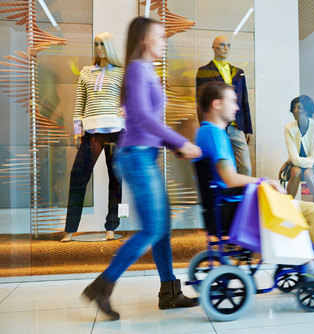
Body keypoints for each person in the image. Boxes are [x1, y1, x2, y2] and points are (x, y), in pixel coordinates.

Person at [81, 17, 201, 320]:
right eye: (160, 36)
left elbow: (143, 122)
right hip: (135, 156)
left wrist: (174, 146)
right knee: (152, 228)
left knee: (162, 228)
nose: (165, 41)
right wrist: (180, 142)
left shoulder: (146, 70)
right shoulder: (136, 69)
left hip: (144, 155)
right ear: (144, 39)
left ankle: (169, 292)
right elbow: (146, 119)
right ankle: (103, 285)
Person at [194, 81, 314, 281]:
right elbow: (228, 178)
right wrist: (264, 181)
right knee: (311, 211)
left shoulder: (207, 132)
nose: (237, 107)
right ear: (217, 104)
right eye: (232, 102)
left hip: (230, 204)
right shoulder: (214, 133)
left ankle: (311, 263)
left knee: (301, 206)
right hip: (236, 208)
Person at [62, 32, 125, 242]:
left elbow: (132, 98)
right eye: (96, 43)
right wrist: (77, 129)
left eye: (102, 44)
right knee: (78, 177)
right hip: (92, 133)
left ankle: (112, 227)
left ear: (110, 47)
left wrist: (128, 109)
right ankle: (70, 229)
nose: (98, 47)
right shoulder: (86, 72)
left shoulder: (121, 73)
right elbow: (80, 101)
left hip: (116, 131)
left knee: (115, 180)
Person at [196, 36, 253, 176]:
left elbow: (244, 100)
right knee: (221, 168)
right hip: (216, 125)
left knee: (246, 167)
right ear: (213, 47)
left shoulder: (238, 72)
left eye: (228, 45)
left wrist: (249, 129)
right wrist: (204, 125)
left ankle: (243, 197)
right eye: (222, 45)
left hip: (236, 126)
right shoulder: (204, 71)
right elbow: (200, 102)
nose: (226, 48)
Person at [280, 95, 314, 236]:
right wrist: (296, 161)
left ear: (308, 110)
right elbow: (295, 160)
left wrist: (310, 162)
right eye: (294, 108)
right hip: (301, 165)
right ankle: (286, 216)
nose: (295, 111)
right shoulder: (288, 128)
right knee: (296, 172)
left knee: (308, 173)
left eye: (300, 107)